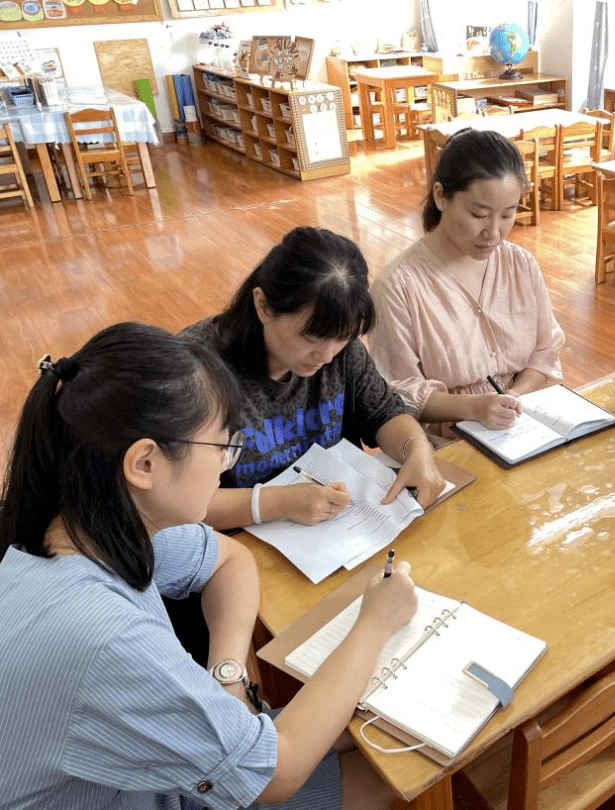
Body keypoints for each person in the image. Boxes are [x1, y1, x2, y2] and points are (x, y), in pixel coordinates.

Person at [0, 322, 419, 809]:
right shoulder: (105, 637)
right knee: (396, 781)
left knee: (367, 734)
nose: (226, 464)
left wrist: (227, 677)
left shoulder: (87, 525)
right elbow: (274, 777)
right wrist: (374, 622)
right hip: (141, 793)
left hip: (142, 776)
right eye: (221, 447)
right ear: (144, 464)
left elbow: (231, 558)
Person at [186, 225, 446, 533]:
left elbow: (382, 412)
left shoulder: (338, 349)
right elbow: (175, 504)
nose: (326, 355)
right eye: (311, 337)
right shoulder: (194, 372)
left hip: (335, 532)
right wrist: (276, 503)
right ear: (263, 306)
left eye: (342, 338)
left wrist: (416, 448)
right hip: (240, 546)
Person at [368, 128, 565, 437]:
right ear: (440, 196)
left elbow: (545, 349)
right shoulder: (397, 286)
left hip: (523, 425)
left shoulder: (520, 264)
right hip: (450, 440)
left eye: (507, 214)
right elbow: (399, 392)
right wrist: (474, 408)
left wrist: (515, 395)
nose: (494, 232)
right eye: (478, 214)